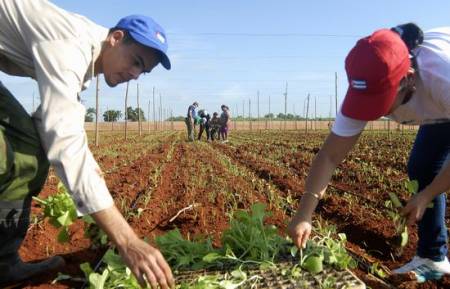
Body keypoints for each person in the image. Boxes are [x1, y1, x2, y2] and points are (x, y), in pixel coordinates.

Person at [0, 1, 174, 288]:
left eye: (143, 71)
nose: (135, 74)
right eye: (136, 61)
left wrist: (93, 174)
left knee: (27, 145)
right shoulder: (71, 46)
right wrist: (126, 239)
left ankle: (3, 264)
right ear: (116, 38)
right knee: (13, 152)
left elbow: (48, 123)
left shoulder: (83, 57)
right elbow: (63, 139)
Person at [287, 23, 450, 283]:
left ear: (407, 77)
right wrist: (304, 213)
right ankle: (433, 257)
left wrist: (427, 195)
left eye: (381, 102)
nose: (375, 112)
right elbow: (330, 156)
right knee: (422, 167)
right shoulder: (369, 78)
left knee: (429, 179)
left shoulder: (443, 75)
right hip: (439, 108)